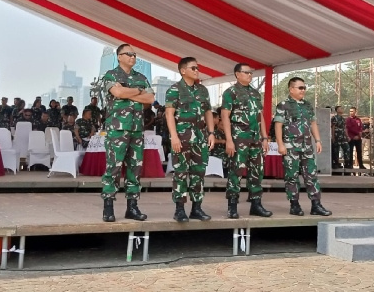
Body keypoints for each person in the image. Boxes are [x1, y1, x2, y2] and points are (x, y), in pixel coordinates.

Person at [101, 44, 155, 223]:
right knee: (113, 168)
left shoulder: (141, 77)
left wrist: (127, 93)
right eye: (128, 54)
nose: (133, 57)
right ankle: (108, 206)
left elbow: (150, 98)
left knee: (135, 168)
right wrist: (138, 91)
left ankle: (132, 206)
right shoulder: (111, 75)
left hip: (137, 129)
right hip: (117, 128)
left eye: (134, 55)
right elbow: (116, 91)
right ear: (119, 56)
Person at [165, 57, 215, 222]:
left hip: (200, 138)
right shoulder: (175, 90)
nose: (197, 70)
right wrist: (173, 136)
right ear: (183, 70)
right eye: (193, 68)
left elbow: (208, 112)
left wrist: (211, 133)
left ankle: (197, 208)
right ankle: (179, 209)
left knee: (198, 173)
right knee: (180, 173)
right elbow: (169, 114)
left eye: (197, 68)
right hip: (182, 137)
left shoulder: (202, 90)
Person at [274, 77, 332, 216]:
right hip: (291, 147)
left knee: (311, 175)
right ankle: (294, 205)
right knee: (291, 176)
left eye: (304, 88)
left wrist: (318, 140)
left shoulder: (307, 105)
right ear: (291, 89)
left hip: (307, 146)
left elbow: (312, 123)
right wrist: (280, 144)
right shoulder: (283, 105)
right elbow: (278, 125)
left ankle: (316, 205)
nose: (303, 90)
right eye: (300, 88)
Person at [221, 63, 272, 219]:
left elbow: (260, 116)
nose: (250, 75)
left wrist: (265, 137)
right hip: (239, 138)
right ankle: (232, 205)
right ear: (237, 74)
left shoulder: (255, 93)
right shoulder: (230, 92)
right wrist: (229, 140)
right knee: (236, 171)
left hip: (256, 138)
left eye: (251, 73)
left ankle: (256, 204)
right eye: (246, 72)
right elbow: (225, 116)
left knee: (257, 171)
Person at [331, 106, 351, 173]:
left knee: (347, 148)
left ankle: (347, 163)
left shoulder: (343, 119)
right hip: (337, 135)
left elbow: (345, 128)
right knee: (336, 150)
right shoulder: (334, 118)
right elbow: (333, 128)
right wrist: (333, 137)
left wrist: (347, 136)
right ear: (337, 110)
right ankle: (336, 163)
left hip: (343, 136)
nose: (341, 110)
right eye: (340, 108)